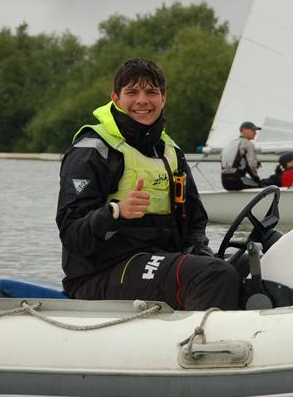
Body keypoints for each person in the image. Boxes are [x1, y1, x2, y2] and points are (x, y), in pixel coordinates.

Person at [56, 57, 241, 310]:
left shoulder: (171, 152)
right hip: (98, 273)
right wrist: (116, 212)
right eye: (132, 92)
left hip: (156, 262)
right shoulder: (92, 150)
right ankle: (199, 344)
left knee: (238, 268)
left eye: (151, 92)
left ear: (163, 98)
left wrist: (202, 255)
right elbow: (72, 234)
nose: (142, 100)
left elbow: (195, 223)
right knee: (213, 275)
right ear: (116, 98)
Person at [221, 121, 263, 190]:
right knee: (261, 185)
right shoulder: (248, 144)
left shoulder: (230, 144)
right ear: (243, 130)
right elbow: (252, 165)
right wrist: (257, 179)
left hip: (225, 182)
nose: (255, 133)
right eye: (253, 130)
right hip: (238, 181)